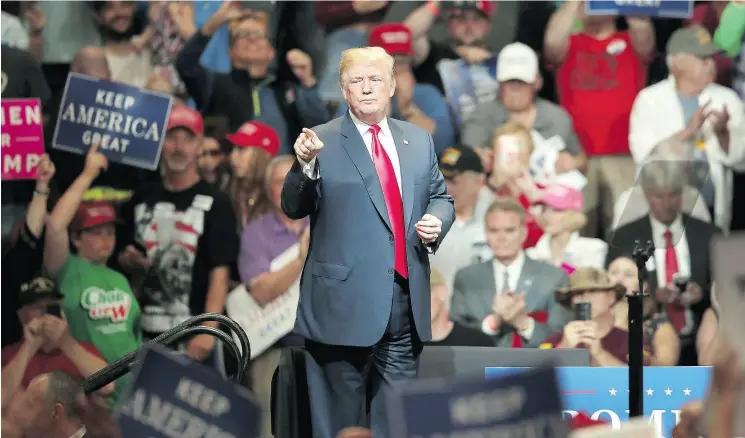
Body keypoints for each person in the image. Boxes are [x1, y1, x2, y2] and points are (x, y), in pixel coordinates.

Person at [281, 46, 455, 438]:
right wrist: (304, 166)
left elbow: (441, 198)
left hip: (405, 303)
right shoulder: (319, 141)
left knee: (399, 423)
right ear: (343, 91)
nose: (366, 88)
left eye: (375, 79)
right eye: (356, 81)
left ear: (392, 85)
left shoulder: (418, 140)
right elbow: (294, 206)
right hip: (342, 306)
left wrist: (436, 221)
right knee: (340, 426)